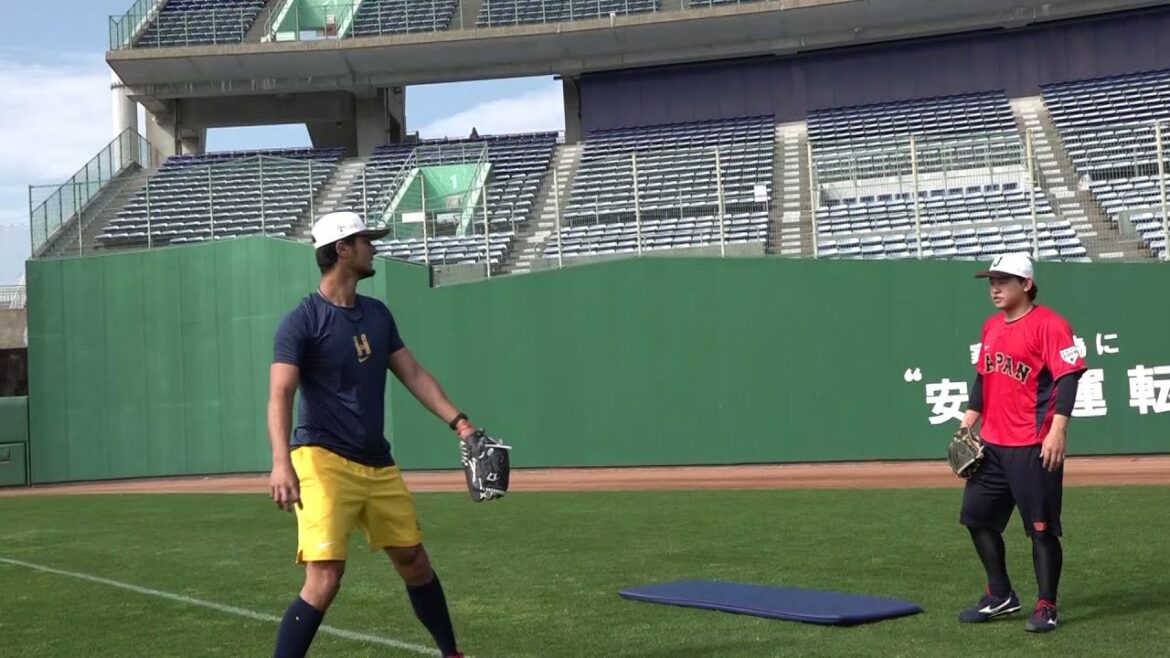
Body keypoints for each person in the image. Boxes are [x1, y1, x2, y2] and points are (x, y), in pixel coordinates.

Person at [267, 211, 479, 658]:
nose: (374, 246)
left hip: (376, 463)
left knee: (415, 562)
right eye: (366, 239)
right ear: (342, 249)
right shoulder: (302, 320)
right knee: (325, 578)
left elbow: (414, 375)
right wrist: (281, 462)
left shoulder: (377, 315)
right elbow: (280, 394)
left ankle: (451, 654)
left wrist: (460, 422)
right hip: (321, 459)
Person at [957, 252, 1086, 633]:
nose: (994, 288)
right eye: (991, 281)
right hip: (992, 445)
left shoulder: (1050, 324)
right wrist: (968, 422)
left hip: (1033, 445)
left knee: (1042, 530)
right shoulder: (991, 327)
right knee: (976, 519)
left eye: (1003, 280)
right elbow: (984, 378)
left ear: (1026, 284)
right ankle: (1000, 595)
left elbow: (1068, 377)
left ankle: (1046, 605)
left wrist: (1058, 429)